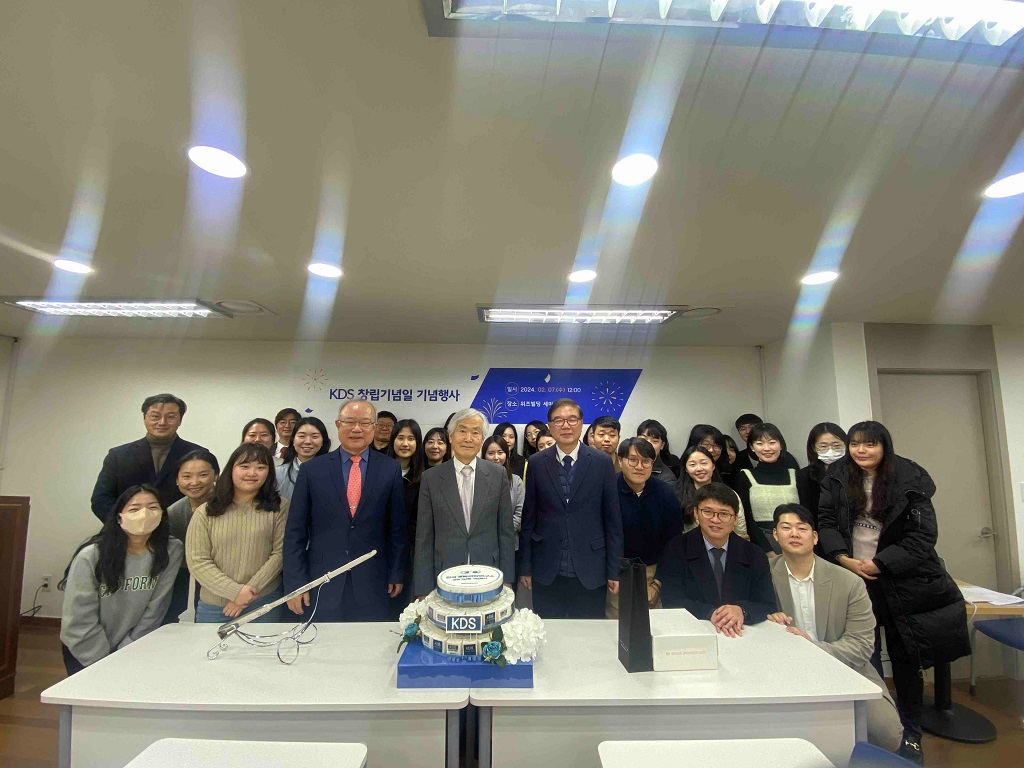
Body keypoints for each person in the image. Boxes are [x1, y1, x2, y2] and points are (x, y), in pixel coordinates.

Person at [817, 421, 969, 765]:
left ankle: (910, 732)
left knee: (905, 658)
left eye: (870, 444)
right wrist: (842, 558)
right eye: (855, 444)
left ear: (884, 446)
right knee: (864, 655)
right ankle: (874, 728)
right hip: (854, 577)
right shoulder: (837, 476)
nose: (861, 451)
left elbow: (922, 536)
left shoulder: (909, 478)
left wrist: (880, 564)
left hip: (901, 580)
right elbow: (825, 521)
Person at [767, 504, 903, 754]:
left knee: (887, 734)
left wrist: (812, 649)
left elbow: (861, 646)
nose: (794, 533)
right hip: (786, 671)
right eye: (786, 527)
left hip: (845, 666)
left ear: (815, 537)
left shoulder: (849, 582)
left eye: (802, 528)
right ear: (775, 535)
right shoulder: (763, 576)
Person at [283, 400, 407, 622]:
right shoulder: (312, 470)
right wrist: (295, 583)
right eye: (350, 422)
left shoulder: (390, 468)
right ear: (338, 424)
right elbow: (295, 532)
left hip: (373, 581)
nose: (356, 429)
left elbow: (397, 528)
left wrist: (396, 572)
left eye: (364, 423)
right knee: (321, 642)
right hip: (321, 582)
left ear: (374, 427)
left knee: (369, 642)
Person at [61, 484, 183, 674]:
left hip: (135, 648)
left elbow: (157, 607)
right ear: (119, 517)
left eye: (152, 507)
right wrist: (103, 661)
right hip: (85, 649)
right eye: (134, 509)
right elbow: (79, 617)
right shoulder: (91, 555)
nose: (144, 514)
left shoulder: (171, 550)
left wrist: (128, 651)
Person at [519, 399, 622, 619]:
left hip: (590, 569)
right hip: (547, 569)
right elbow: (529, 519)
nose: (566, 425)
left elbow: (612, 520)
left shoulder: (602, 462)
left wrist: (613, 570)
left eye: (572, 419)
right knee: (548, 632)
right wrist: (525, 567)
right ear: (550, 425)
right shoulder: (536, 463)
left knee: (588, 634)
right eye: (558, 420)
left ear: (582, 423)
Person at [414, 410, 515, 597]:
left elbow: (506, 531)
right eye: (462, 431)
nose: (468, 438)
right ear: (451, 436)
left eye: (475, 432)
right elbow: (424, 537)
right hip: (445, 575)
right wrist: (423, 589)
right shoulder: (431, 478)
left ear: (482, 439)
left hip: (488, 573)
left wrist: (507, 580)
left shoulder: (497, 474)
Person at [186, 443, 289, 624]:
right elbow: (198, 561)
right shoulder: (206, 511)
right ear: (231, 470)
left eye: (261, 467)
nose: (252, 473)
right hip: (215, 606)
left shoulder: (280, 507)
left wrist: (247, 593)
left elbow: (280, 553)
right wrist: (235, 592)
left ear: (269, 473)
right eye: (244, 466)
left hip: (264, 603)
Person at [655, 483, 776, 636]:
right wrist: (711, 613)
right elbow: (672, 600)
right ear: (696, 513)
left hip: (743, 633)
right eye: (707, 512)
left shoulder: (754, 554)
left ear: (735, 519)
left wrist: (742, 610)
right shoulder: (676, 549)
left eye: (724, 514)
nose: (715, 520)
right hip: (694, 631)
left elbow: (767, 604)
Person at [90, 393, 206, 522]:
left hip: (182, 528)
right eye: (155, 416)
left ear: (180, 420)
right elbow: (101, 499)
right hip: (127, 529)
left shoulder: (198, 454)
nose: (162, 422)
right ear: (144, 418)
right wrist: (124, 524)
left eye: (170, 417)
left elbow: (207, 496)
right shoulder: (118, 455)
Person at [610, 438, 683, 618]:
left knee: (651, 626)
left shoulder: (665, 493)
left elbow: (674, 543)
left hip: (653, 571)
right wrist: (611, 572)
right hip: (615, 572)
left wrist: (657, 583)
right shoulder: (607, 489)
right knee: (614, 626)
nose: (639, 466)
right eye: (633, 460)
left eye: (646, 461)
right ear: (621, 460)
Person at [163, 449, 220, 624]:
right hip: (187, 569)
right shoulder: (174, 513)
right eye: (186, 476)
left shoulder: (229, 505)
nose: (194, 482)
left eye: (203, 475)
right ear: (177, 480)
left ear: (216, 475)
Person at [733, 423, 799, 555]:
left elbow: (805, 513)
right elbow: (746, 517)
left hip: (795, 537)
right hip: (762, 542)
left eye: (772, 442)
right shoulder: (744, 476)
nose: (767, 448)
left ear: (781, 445)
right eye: (760, 443)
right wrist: (767, 550)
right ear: (752, 447)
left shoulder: (795, 475)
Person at [387, 419, 426, 617]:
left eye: (411, 439)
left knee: (398, 609)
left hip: (407, 553)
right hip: (378, 549)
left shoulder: (424, 477)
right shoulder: (378, 470)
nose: (405, 443)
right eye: (400, 438)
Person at [675, 446, 748, 538]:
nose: (699, 468)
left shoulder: (729, 494)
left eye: (704, 463)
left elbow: (740, 531)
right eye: (693, 465)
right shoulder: (677, 496)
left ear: (713, 466)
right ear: (686, 469)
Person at [796, 422, 847, 527]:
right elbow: (806, 511)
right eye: (823, 446)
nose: (830, 450)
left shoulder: (855, 472)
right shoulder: (804, 475)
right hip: (819, 529)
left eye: (836, 445)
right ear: (814, 448)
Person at [482, 435, 525, 553]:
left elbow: (519, 513)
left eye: (500, 452)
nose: (496, 457)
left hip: (510, 542)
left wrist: (504, 532)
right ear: (484, 456)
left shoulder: (516, 481)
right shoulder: (477, 480)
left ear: (507, 455)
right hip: (482, 543)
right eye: (491, 453)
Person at [275, 417, 331, 501]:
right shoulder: (278, 473)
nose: (308, 441)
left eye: (314, 436)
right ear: (293, 440)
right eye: (302, 436)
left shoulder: (332, 472)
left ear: (323, 441)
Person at [636, 419, 679, 484]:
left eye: (655, 441)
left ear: (662, 445)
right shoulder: (625, 463)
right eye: (644, 439)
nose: (648, 444)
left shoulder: (667, 479)